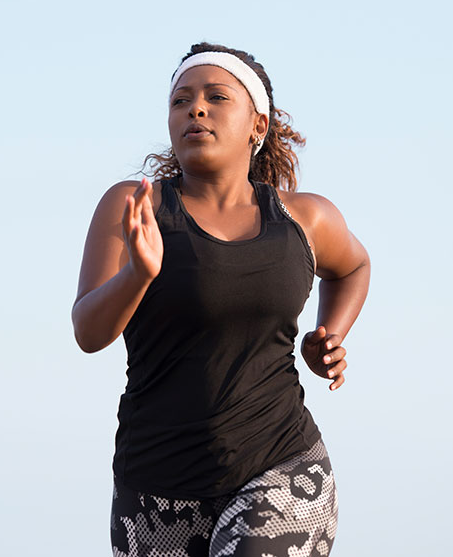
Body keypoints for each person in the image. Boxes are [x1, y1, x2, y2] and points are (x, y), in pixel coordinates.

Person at [72, 42, 370, 557]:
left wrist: (331, 335)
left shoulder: (305, 218)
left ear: (258, 124)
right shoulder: (133, 205)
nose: (196, 109)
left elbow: (353, 266)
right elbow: (89, 332)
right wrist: (139, 275)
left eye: (216, 97)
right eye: (181, 100)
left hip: (280, 467)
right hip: (155, 487)